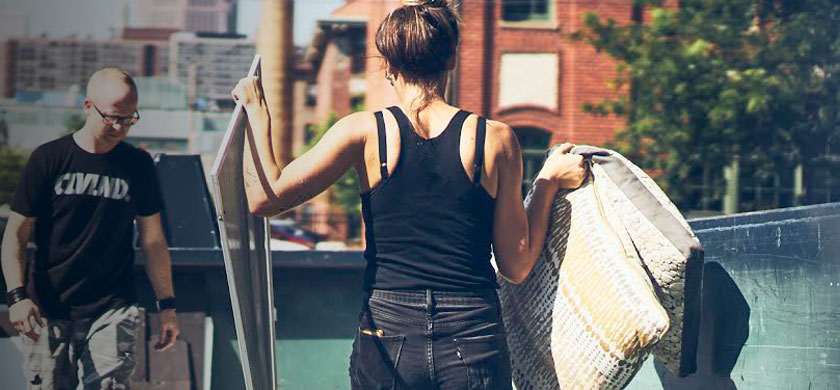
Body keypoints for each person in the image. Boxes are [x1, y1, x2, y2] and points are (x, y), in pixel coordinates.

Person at [230, 0, 590, 388]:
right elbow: (515, 265)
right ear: (451, 58)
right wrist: (546, 184)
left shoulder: (362, 132)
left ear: (387, 66)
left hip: (387, 327)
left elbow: (264, 197)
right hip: (473, 330)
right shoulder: (497, 140)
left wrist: (257, 117)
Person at [0, 68, 181, 390]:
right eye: (112, 117)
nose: (119, 127)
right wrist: (17, 297)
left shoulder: (138, 166)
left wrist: (167, 306)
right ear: (87, 106)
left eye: (129, 119)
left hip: (113, 307)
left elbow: (153, 241)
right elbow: (16, 232)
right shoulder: (48, 159)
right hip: (48, 307)